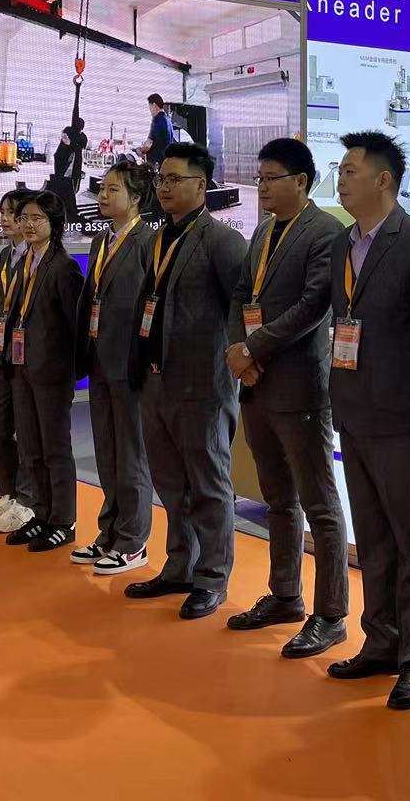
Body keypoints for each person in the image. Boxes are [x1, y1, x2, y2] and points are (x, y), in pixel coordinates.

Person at [326, 131, 410, 711]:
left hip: (404, 417)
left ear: (383, 180)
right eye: (340, 170)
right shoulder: (343, 244)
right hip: (354, 413)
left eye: (350, 170)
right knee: (374, 537)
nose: (341, 179)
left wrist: (402, 369)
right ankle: (381, 642)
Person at [223, 138, 351, 659]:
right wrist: (239, 350)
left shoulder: (325, 232)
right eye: (259, 178)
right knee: (278, 499)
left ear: (301, 181)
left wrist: (251, 349)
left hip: (299, 387)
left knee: (320, 505)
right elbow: (241, 295)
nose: (262, 187)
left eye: (271, 178)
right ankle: (284, 595)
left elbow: (313, 306)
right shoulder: (262, 230)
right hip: (256, 383)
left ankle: (332, 614)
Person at [124, 142, 247, 620]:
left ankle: (212, 578)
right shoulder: (157, 238)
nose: (165, 187)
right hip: (156, 380)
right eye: (161, 178)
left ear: (202, 185)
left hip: (203, 385)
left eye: (175, 179)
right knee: (171, 482)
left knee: (209, 485)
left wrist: (238, 366)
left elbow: (241, 311)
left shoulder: (222, 241)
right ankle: (180, 566)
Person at [72, 159, 157, 575]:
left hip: (130, 363)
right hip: (100, 359)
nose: (103, 196)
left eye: (113, 190)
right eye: (102, 189)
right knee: (106, 449)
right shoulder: (100, 241)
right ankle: (109, 532)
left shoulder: (147, 242)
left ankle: (133, 541)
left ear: (136, 198)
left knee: (132, 453)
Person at [1, 190, 86, 553]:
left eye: (37, 219)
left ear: (55, 223)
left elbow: (75, 325)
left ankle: (63, 520)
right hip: (21, 367)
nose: (29, 225)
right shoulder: (24, 261)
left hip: (51, 372)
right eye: (24, 218)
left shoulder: (64, 267)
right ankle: (41, 513)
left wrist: (68, 370)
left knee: (55, 448)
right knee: (30, 447)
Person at [0, 188, 41, 533]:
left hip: (29, 356)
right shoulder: (6, 255)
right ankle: (7, 494)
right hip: (4, 351)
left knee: (28, 432)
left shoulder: (39, 257)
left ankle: (26, 501)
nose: (5, 219)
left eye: (12, 213)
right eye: (3, 212)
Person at [141, 93, 172, 165]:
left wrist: (141, 151)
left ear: (154, 105)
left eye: (150, 107)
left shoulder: (157, 120)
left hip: (156, 162)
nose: (150, 111)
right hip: (165, 161)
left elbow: (148, 145)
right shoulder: (168, 120)